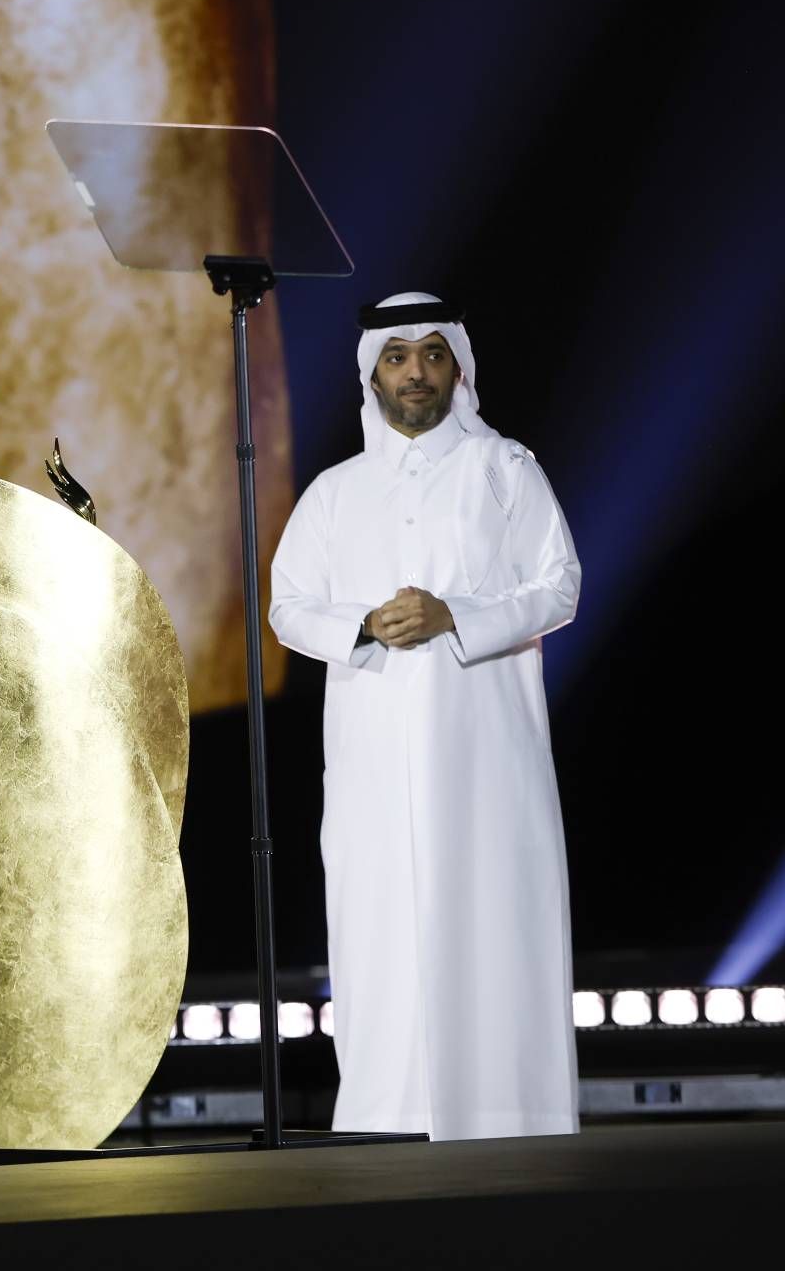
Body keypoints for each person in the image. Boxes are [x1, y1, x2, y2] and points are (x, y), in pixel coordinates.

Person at [267, 292, 580, 1141]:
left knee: (495, 926)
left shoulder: (504, 469)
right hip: (370, 765)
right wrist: (365, 624)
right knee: (381, 934)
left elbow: (560, 585)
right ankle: (388, 1125)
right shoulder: (336, 492)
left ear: (458, 368)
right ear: (372, 372)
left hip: (488, 761)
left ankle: (513, 1122)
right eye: (398, 356)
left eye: (433, 354)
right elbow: (288, 607)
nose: (416, 372)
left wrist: (456, 615)